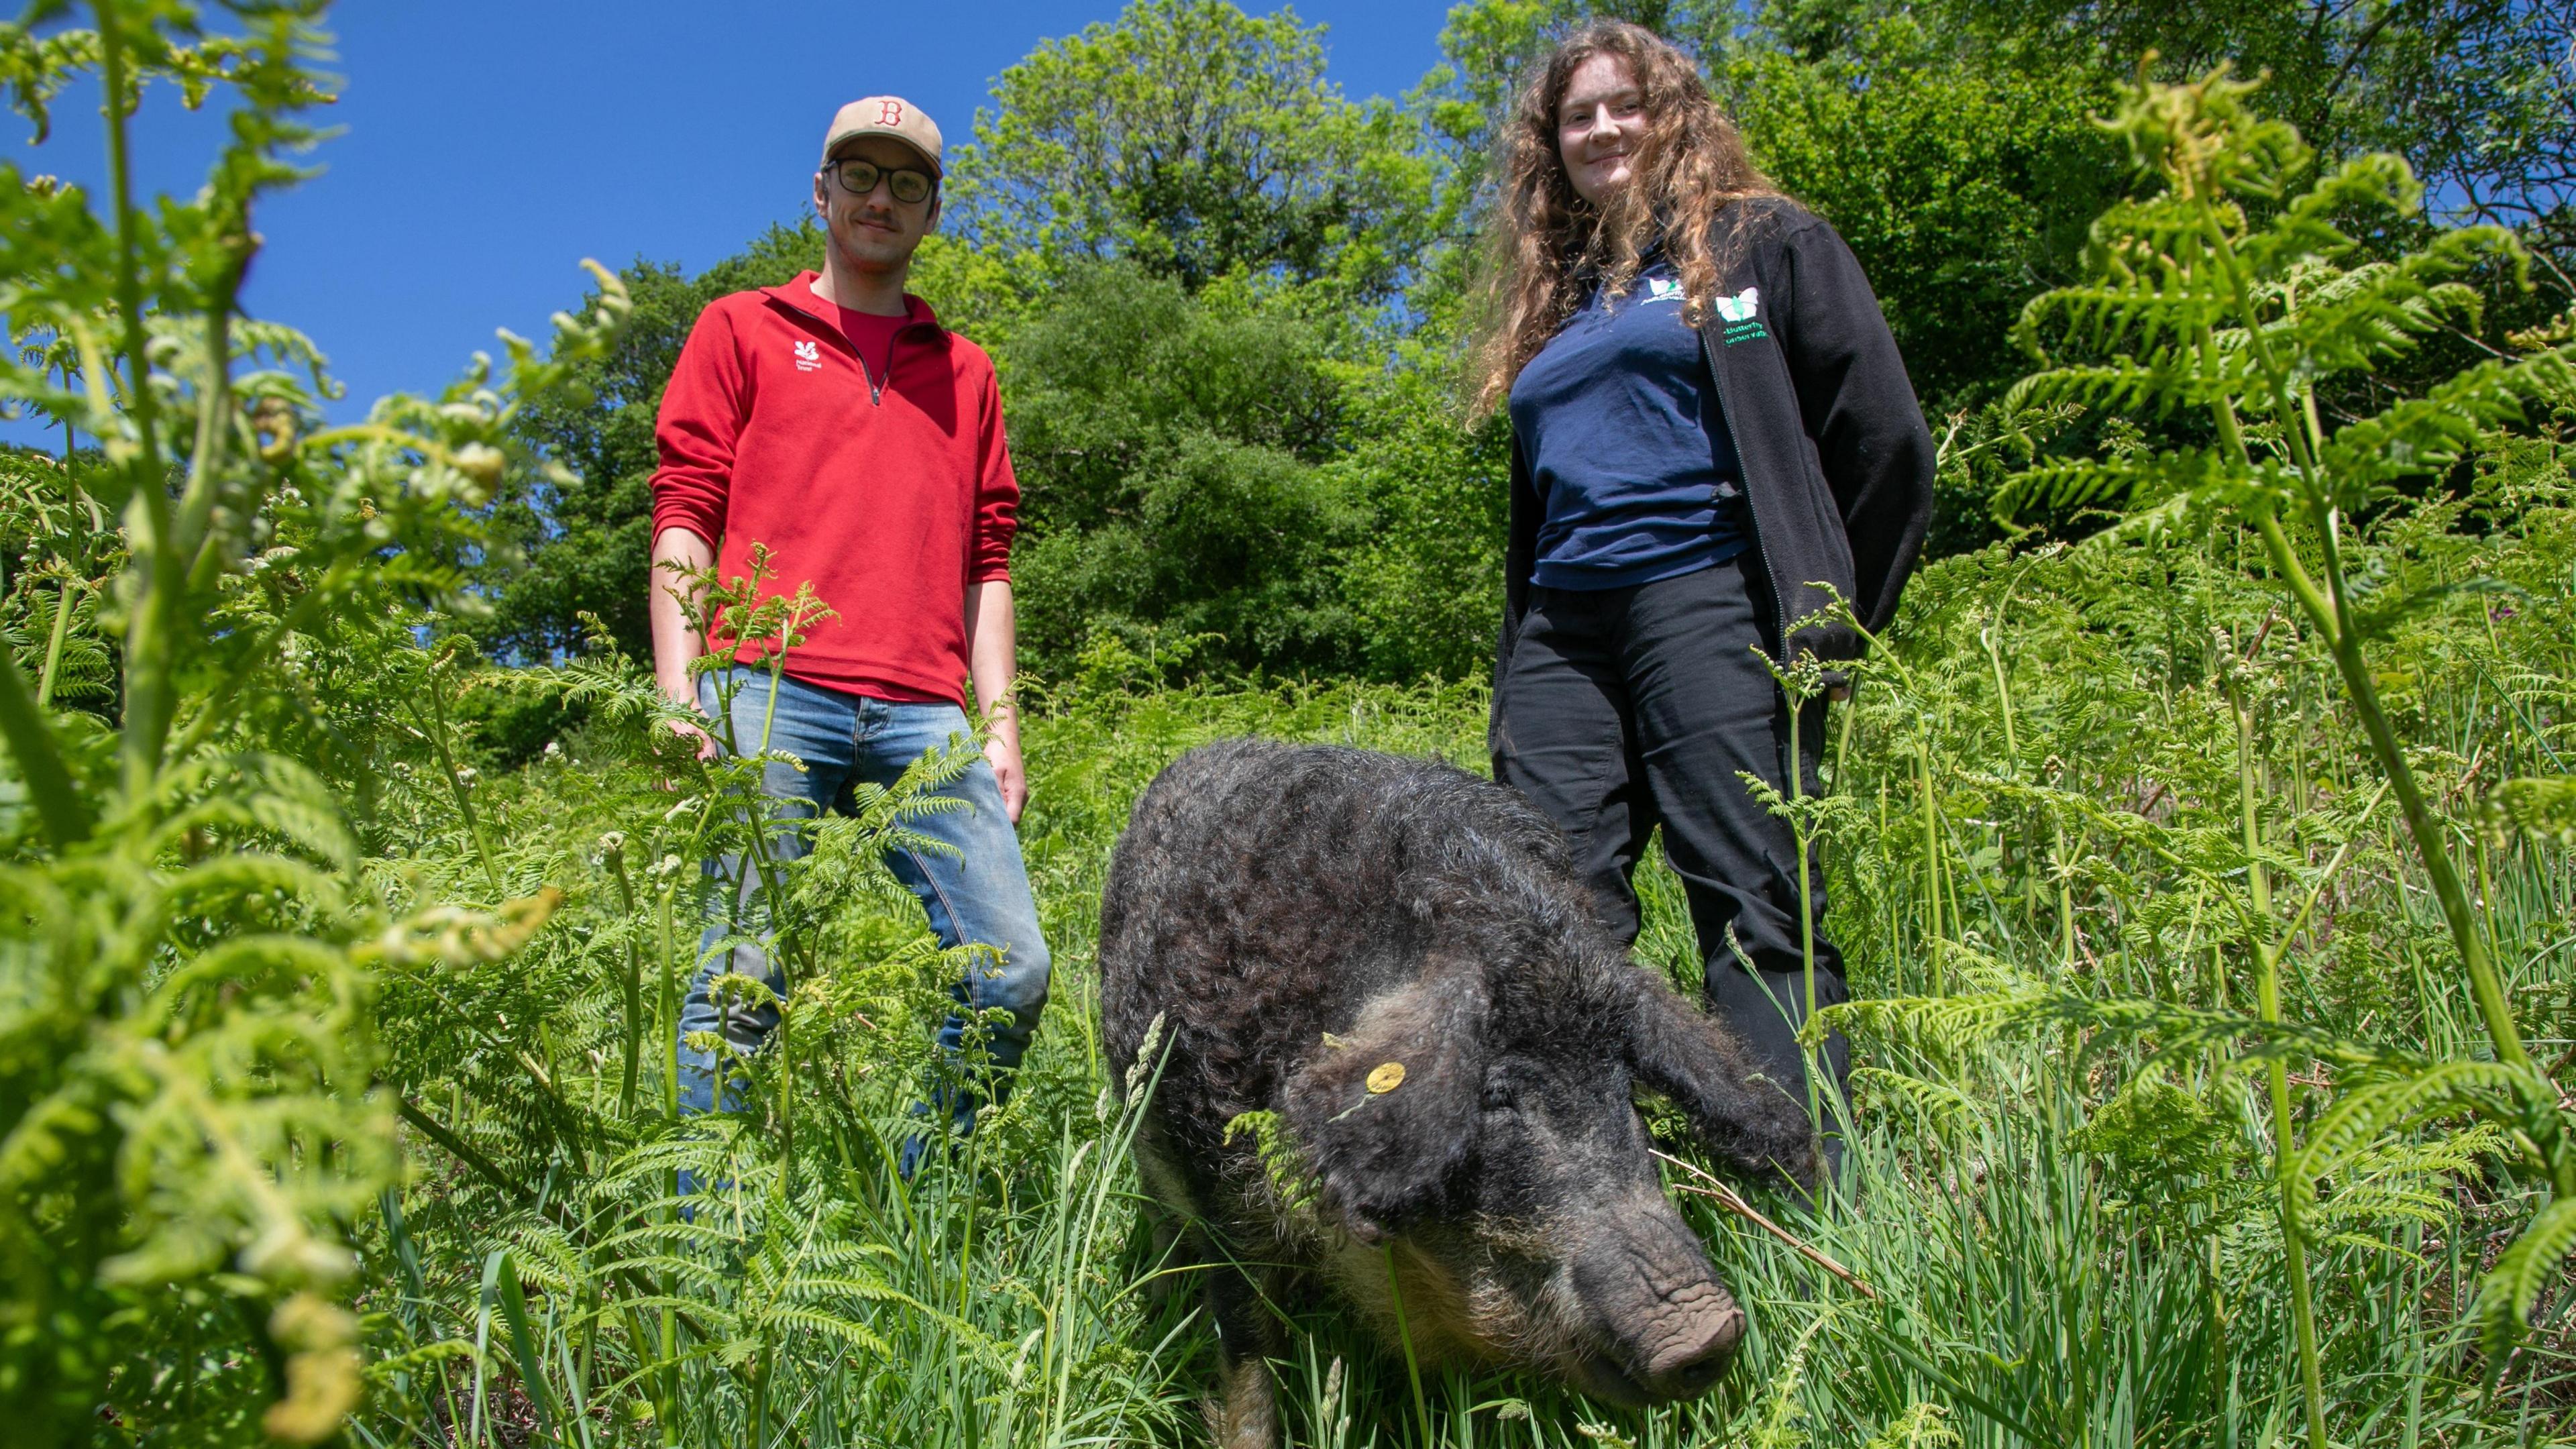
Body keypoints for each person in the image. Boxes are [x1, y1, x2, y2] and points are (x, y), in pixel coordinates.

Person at [1477, 23, 1935, 1171]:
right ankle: (1601, 1211)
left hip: (1710, 600)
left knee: (1756, 902)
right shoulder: (1560, 301)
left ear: (1671, 113)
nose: (1601, 130)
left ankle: (1803, 1202)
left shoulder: (1764, 244)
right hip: (1563, 636)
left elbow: (1885, 445)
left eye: (1624, 105)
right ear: (1552, 146)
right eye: (1575, 117)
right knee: (1546, 922)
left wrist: (1823, 618)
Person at [647, 95, 1049, 1175]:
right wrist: (679, 691)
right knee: (740, 980)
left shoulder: (966, 371)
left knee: (1008, 969)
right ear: (819, 193)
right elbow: (685, 509)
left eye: (907, 183)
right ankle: (708, 1256)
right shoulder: (740, 328)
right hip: (767, 686)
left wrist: (1001, 726)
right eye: (860, 176)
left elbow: (989, 562)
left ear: (930, 213)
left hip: (927, 707)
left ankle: (917, 1203)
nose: (882, 199)